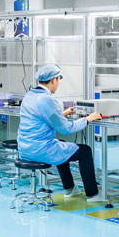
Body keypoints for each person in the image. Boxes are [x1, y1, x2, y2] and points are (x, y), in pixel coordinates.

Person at [18, 64, 104, 200]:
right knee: (85, 151)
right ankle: (93, 195)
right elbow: (66, 129)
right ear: (53, 80)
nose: (58, 84)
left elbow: (42, 118)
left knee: (62, 146)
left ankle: (70, 189)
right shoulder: (47, 99)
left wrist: (62, 114)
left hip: (25, 148)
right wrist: (88, 119)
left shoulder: (30, 95)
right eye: (58, 80)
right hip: (40, 150)